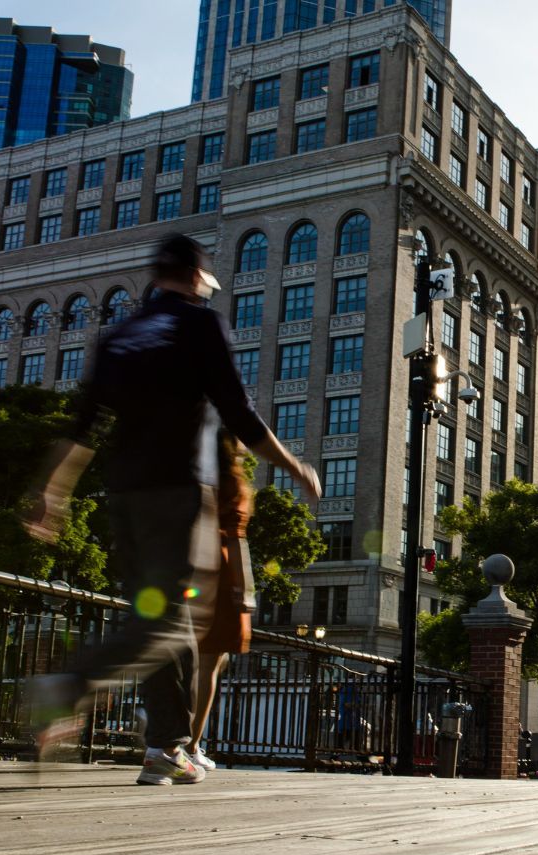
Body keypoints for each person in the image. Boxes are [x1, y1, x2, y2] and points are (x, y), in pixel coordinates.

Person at [24, 234, 319, 786]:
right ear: (194, 277)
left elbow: (84, 422)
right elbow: (238, 407)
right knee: (166, 620)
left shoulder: (119, 335)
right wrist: (291, 463)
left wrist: (53, 491)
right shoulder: (198, 323)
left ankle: (166, 747)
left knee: (171, 615)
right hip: (178, 489)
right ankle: (69, 686)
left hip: (123, 494)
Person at [188, 430, 255, 770]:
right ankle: (191, 744)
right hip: (218, 570)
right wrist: (245, 590)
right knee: (209, 666)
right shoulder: (232, 482)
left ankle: (171, 737)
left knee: (189, 659)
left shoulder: (189, 475)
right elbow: (236, 540)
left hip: (185, 568)